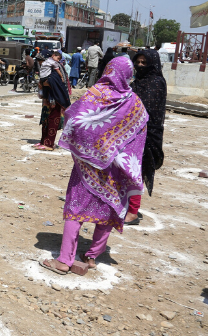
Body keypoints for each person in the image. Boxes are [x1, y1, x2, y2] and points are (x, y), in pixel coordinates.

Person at [41, 57, 148, 274]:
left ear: (108, 70)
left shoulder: (96, 93)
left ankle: (64, 260)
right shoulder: (134, 102)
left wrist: (91, 147)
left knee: (74, 209)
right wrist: (116, 153)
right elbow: (139, 136)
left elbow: (74, 119)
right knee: (108, 209)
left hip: (86, 167)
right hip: (114, 169)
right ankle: (91, 256)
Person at [125, 49, 167, 225]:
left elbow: (147, 109)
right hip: (131, 132)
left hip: (148, 134)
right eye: (138, 62)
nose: (140, 65)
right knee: (126, 169)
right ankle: (126, 206)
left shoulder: (156, 82)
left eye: (144, 62)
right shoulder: (138, 81)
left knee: (137, 172)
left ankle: (133, 212)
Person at [35, 50, 70, 150]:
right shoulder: (48, 69)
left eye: (41, 61)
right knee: (45, 119)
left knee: (52, 120)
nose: (40, 63)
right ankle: (43, 141)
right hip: (48, 98)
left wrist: (44, 83)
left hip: (55, 99)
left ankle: (49, 144)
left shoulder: (55, 69)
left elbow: (57, 83)